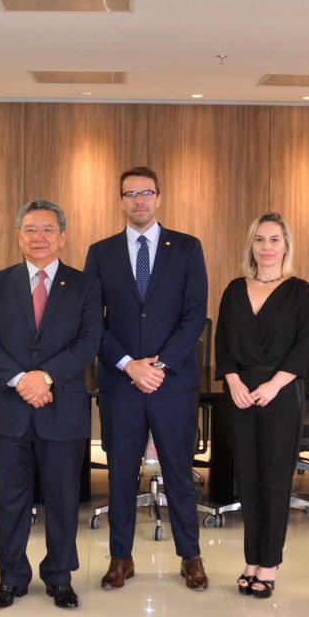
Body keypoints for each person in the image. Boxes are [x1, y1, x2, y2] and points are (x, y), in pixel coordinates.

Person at [84, 166, 210, 591]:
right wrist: (128, 365)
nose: (139, 200)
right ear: (120, 201)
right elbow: (92, 321)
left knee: (179, 471)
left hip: (172, 383)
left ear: (159, 198)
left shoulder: (188, 248)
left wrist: (157, 367)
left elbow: (196, 315)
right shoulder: (100, 252)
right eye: (130, 193)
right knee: (121, 472)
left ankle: (190, 556)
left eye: (147, 192)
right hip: (121, 385)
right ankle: (121, 557)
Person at [0, 200, 102, 610]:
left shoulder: (84, 285)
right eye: (30, 230)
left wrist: (42, 377)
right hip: (9, 409)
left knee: (63, 500)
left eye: (47, 230)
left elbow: (88, 343)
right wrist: (20, 380)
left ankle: (60, 578)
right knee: (10, 500)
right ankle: (11, 577)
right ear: (18, 236)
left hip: (60, 407)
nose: (38, 237)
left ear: (62, 237)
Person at [214, 213, 309, 599]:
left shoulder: (300, 291)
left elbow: (306, 346)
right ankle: (251, 560)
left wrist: (274, 384)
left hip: (281, 393)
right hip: (241, 393)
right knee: (250, 481)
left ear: (286, 246)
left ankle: (269, 563)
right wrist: (234, 381)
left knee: (274, 483)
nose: (267, 247)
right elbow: (222, 343)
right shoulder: (234, 289)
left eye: (275, 240)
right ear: (251, 246)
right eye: (260, 240)